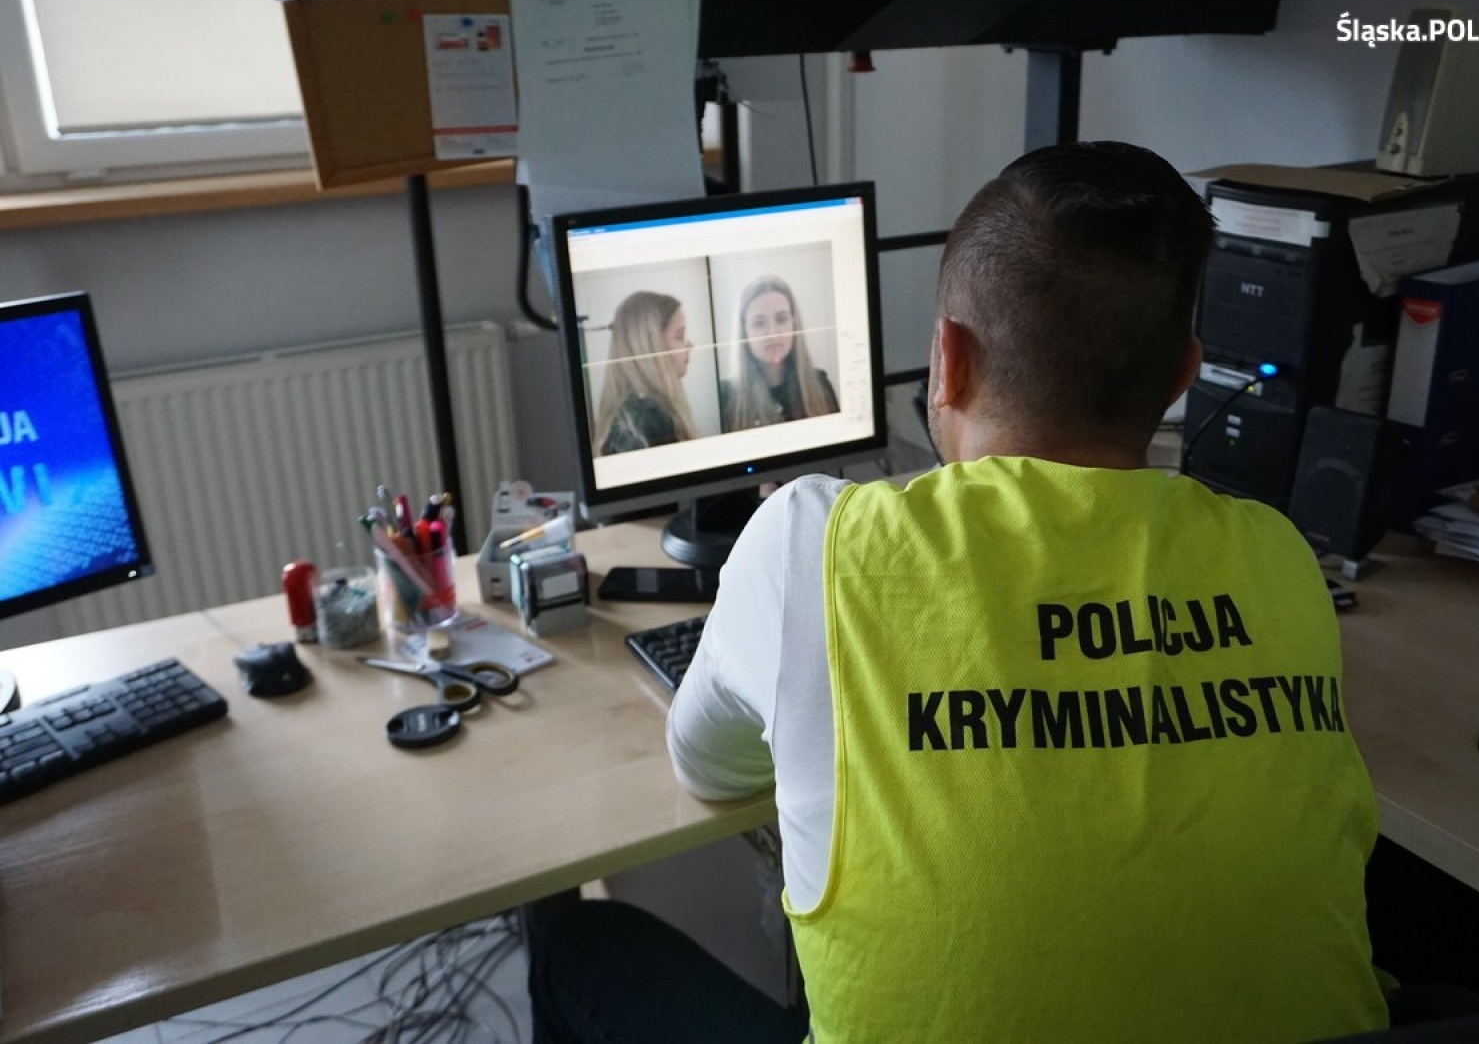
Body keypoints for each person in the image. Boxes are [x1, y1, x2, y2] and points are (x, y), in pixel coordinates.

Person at [526, 142, 1389, 1043]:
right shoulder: (1283, 558)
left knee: (577, 940)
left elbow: (707, 764)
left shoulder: (810, 546)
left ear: (947, 358)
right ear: (1182, 376)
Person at [719, 275, 839, 431]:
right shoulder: (725, 397)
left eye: (781, 319)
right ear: (744, 332)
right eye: (759, 323)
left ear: (794, 324)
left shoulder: (820, 384)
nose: (772, 333)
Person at [591, 290, 696, 455]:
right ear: (650, 343)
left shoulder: (629, 414)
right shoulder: (650, 417)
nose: (690, 345)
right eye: (679, 335)